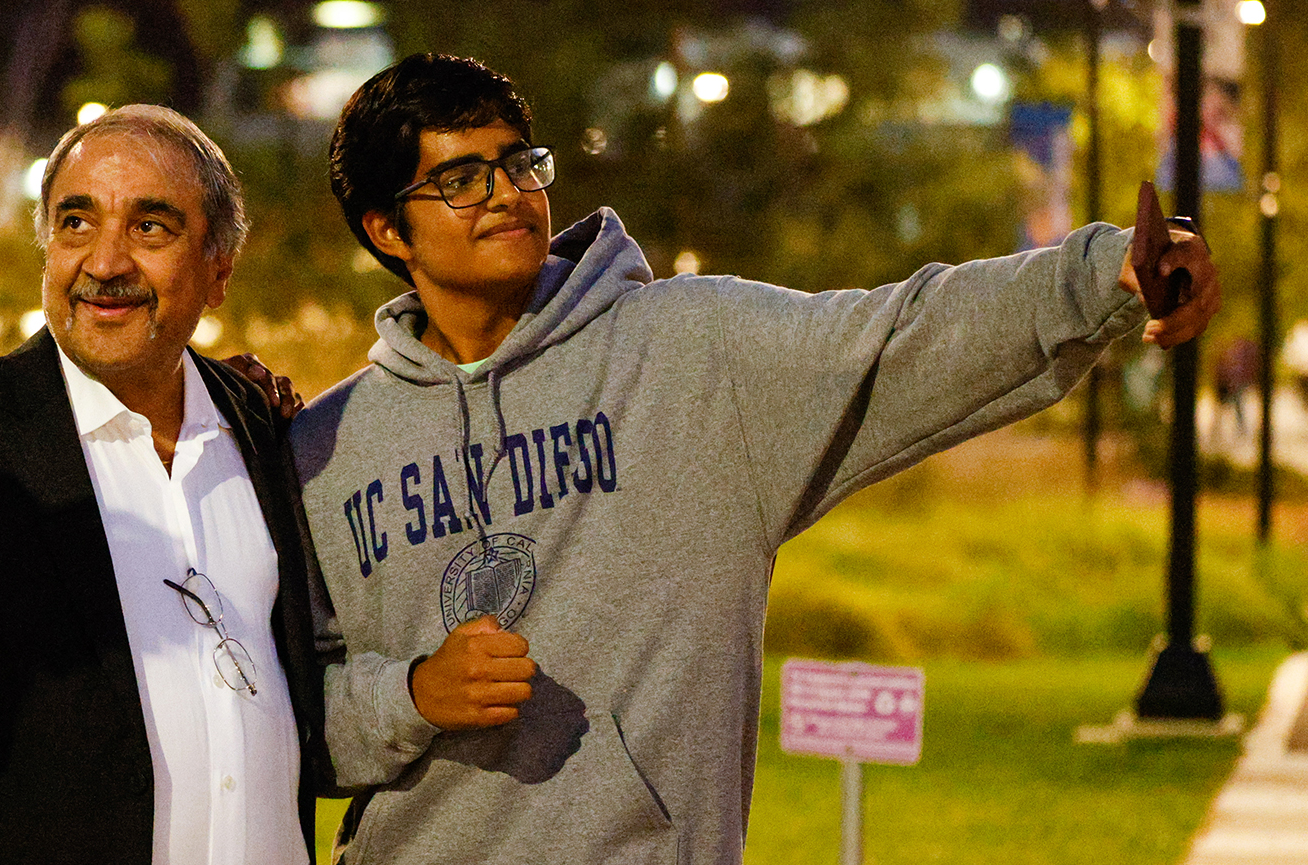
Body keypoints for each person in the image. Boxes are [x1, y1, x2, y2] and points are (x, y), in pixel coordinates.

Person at [291, 54, 1221, 864]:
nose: (504, 193)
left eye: (517, 164)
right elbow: (283, 717)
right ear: (384, 229)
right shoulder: (321, 453)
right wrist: (412, 695)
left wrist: (1108, 274)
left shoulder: (696, 356)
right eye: (459, 179)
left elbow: (905, 336)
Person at [0, 106, 326, 865]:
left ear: (219, 269)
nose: (105, 262)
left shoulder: (264, 433)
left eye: (150, 228)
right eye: (75, 223)